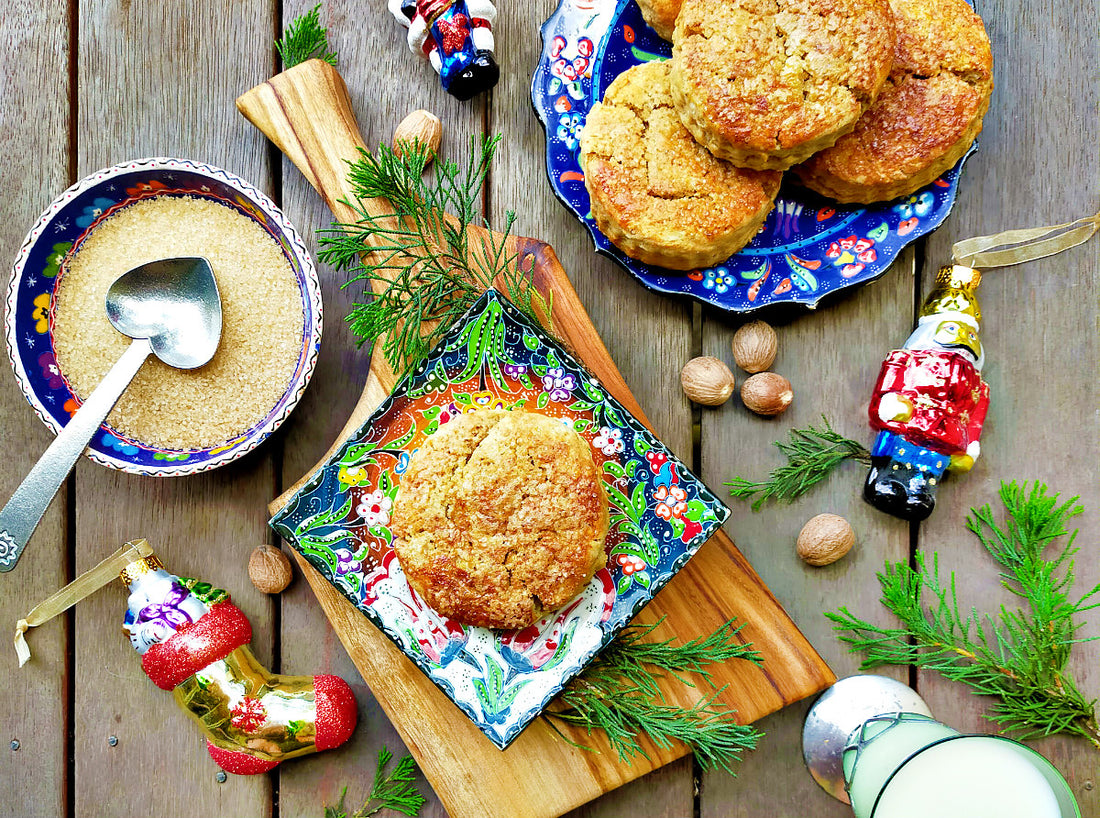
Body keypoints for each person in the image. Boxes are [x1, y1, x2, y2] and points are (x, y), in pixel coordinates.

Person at [865, 265, 989, 520]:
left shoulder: (977, 384)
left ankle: (920, 492)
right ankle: (887, 482)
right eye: (954, 329)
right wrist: (889, 403)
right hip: (908, 422)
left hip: (946, 436)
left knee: (929, 469)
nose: (963, 339)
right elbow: (890, 383)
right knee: (897, 454)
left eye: (970, 334)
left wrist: (971, 445)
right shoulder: (908, 359)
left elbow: (976, 414)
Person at [389, 0, 499, 100]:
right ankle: (458, 80)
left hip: (460, 11)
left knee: (478, 30)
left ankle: (483, 58)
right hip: (436, 31)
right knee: (441, 58)